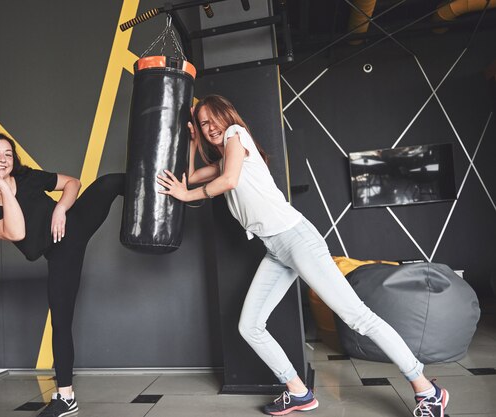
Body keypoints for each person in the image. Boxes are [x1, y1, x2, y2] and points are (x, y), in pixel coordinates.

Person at [156, 95, 449, 417]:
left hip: (296, 239)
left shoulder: (235, 135)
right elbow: (189, 178)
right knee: (250, 326)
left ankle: (427, 390)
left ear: (228, 117)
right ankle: (298, 392)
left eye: (213, 119)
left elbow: (226, 182)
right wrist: (194, 143)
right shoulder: (226, 156)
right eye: (202, 123)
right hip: (275, 248)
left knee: (359, 318)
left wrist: (186, 195)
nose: (209, 127)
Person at [0, 132, 124, 417]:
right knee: (61, 322)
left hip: (75, 223)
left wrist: (61, 209)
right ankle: (66, 398)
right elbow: (17, 232)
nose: (3, 159)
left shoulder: (27, 178)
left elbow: (72, 183)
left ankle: (178, 195)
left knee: (111, 181)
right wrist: (2, 188)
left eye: (8, 154)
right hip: (60, 252)